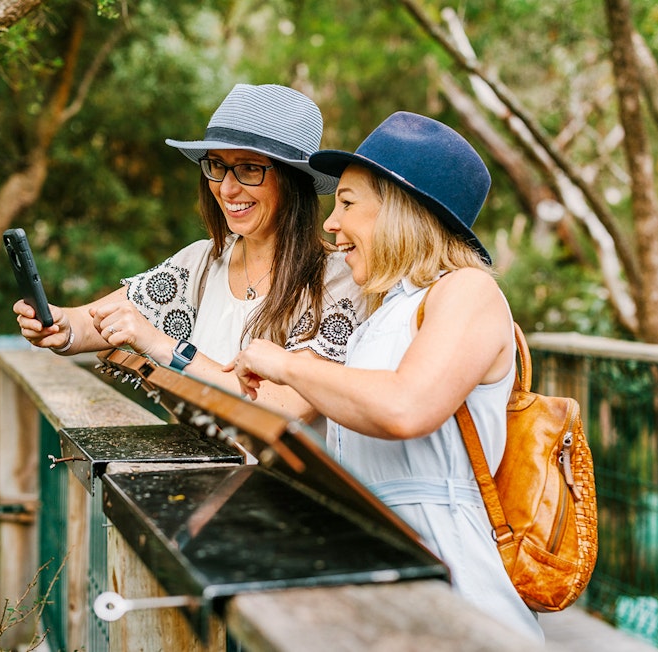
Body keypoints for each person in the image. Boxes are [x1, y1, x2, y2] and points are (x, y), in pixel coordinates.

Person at [228, 111, 544, 642]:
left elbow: (405, 408)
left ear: (402, 209)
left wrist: (290, 365)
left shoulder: (467, 291)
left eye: (347, 203)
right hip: (383, 579)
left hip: (454, 586)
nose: (330, 223)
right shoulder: (381, 317)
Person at [14, 84, 363, 422]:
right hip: (196, 477)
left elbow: (285, 405)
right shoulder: (202, 262)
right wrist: (59, 327)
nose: (226, 188)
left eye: (249, 169)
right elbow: (100, 318)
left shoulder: (339, 279)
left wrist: (165, 348)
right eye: (216, 165)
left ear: (294, 181)